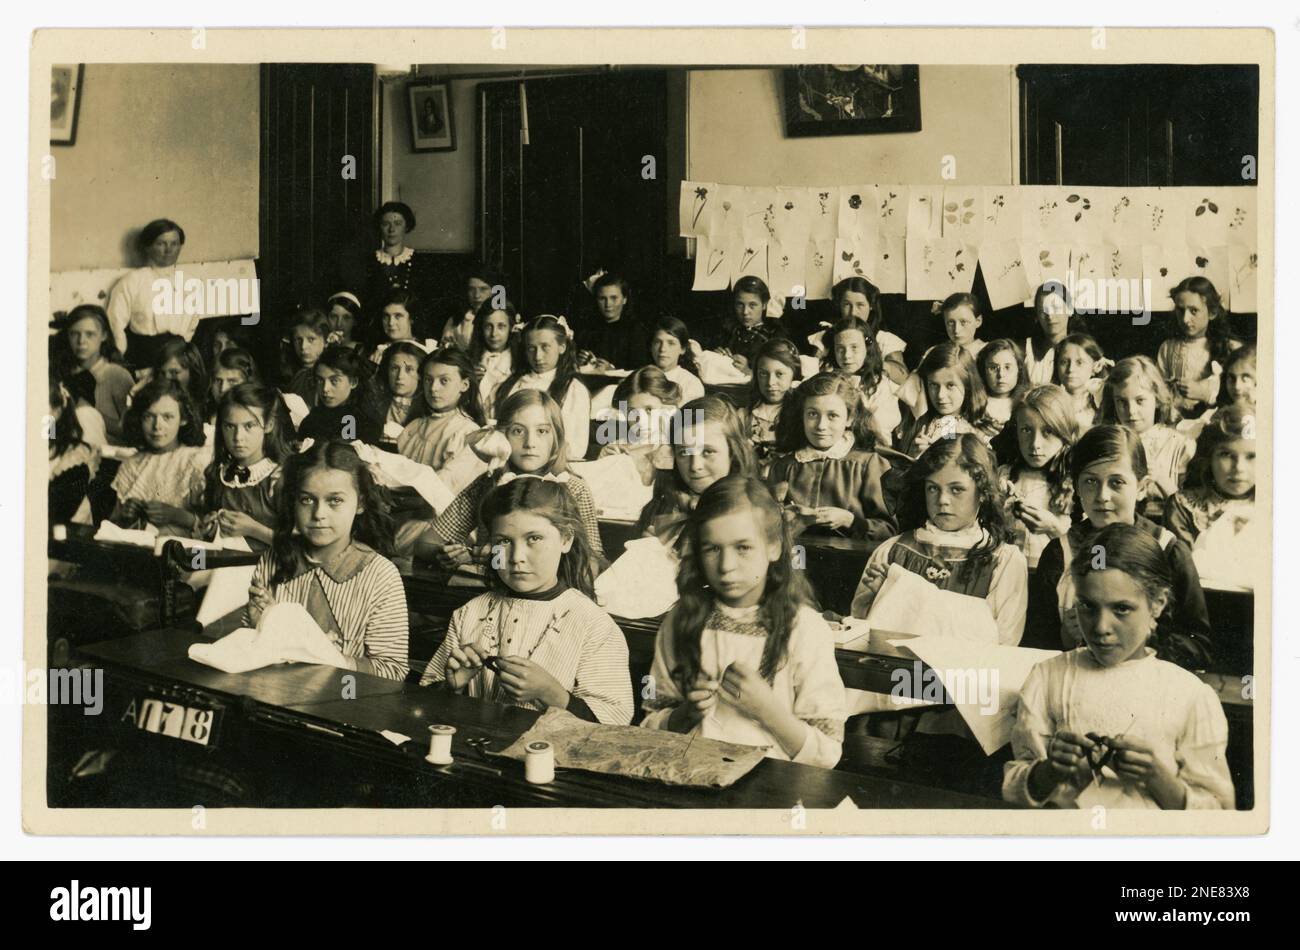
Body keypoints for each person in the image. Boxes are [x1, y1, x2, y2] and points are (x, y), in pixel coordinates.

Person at [1004, 523, 1233, 810]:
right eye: (1087, 606)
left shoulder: (1190, 696)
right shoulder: (1048, 677)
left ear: (1157, 604)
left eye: (1121, 609)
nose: (1101, 627)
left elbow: (1221, 813)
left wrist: (1159, 779)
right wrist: (1049, 770)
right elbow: (1014, 786)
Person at [640, 476, 846, 769]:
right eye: (712, 549)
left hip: (771, 790)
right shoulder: (680, 621)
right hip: (690, 778)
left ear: (774, 547)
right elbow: (648, 726)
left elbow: (827, 754)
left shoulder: (805, 629)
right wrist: (684, 714)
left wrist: (767, 710)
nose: (726, 566)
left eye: (743, 548)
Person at [418, 477, 633, 725]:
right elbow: (427, 705)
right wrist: (452, 687)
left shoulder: (593, 625)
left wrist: (553, 695)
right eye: (504, 542)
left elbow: (614, 724)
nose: (517, 557)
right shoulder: (470, 613)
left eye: (534, 539)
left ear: (565, 539)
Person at [1028, 425, 1212, 670]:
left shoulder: (1168, 550)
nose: (1102, 495)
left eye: (1117, 482)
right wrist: (1065, 635)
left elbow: (1198, 645)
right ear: (1076, 486)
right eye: (1091, 481)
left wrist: (1140, 636)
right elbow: (1034, 643)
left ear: (1142, 487)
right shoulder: (1059, 553)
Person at [245, 440, 409, 681]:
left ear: (361, 503)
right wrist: (261, 626)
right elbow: (250, 649)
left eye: (335, 501)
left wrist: (327, 656)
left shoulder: (381, 576)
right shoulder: (274, 559)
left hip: (343, 705)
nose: (319, 514)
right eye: (307, 500)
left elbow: (392, 672)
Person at [765, 373, 896, 542]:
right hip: (797, 558)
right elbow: (766, 526)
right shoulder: (784, 466)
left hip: (850, 562)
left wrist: (850, 521)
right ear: (802, 417)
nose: (821, 426)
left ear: (849, 418)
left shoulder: (869, 465)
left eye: (832, 416)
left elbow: (889, 530)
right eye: (812, 414)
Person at [493, 314, 592, 460]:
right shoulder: (511, 384)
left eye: (545, 347)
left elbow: (576, 448)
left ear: (562, 347)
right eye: (531, 349)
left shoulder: (573, 389)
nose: (538, 356)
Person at [107, 218, 195, 367]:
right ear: (147, 247)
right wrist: (120, 356)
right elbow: (115, 322)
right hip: (144, 355)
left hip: (179, 354)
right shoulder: (132, 281)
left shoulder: (189, 283)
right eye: (161, 243)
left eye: (174, 244)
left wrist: (182, 347)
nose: (168, 250)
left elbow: (193, 322)